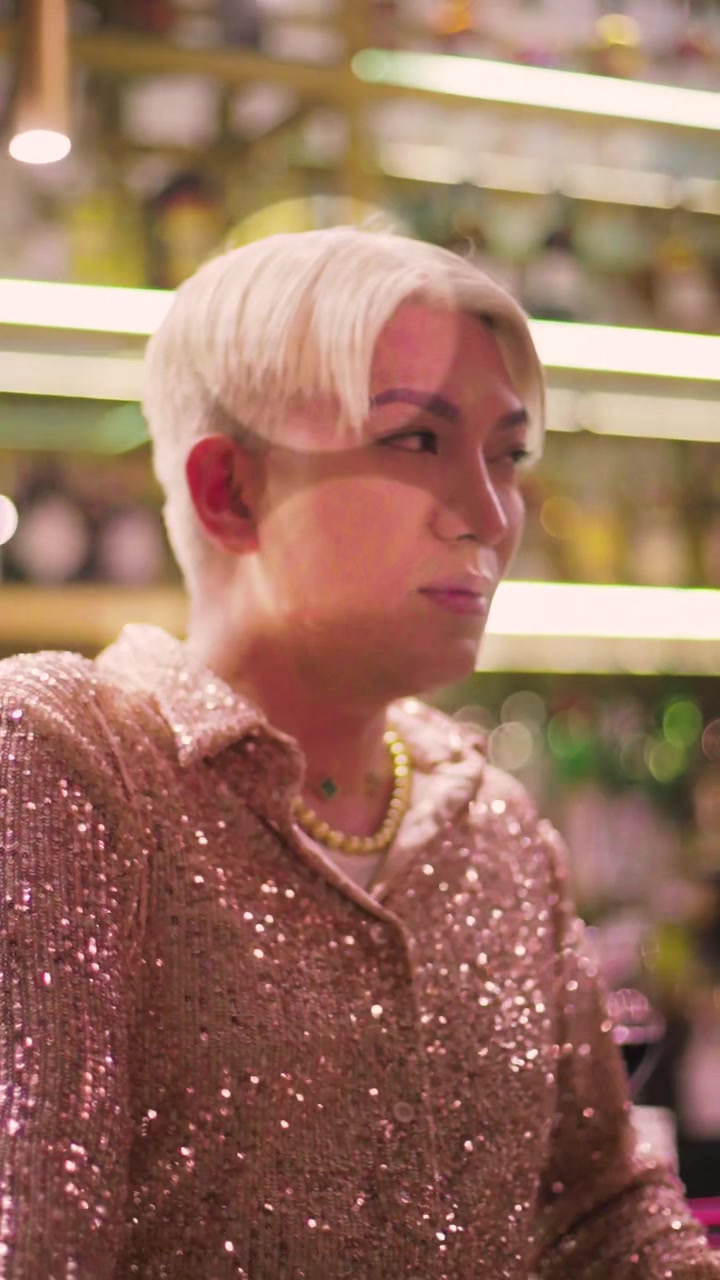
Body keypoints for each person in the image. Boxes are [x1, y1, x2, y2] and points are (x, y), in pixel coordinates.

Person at [0, 227, 717, 1279]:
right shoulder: (69, 759)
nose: (490, 516)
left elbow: (600, 1216)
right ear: (230, 490)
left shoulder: (494, 823)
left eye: (508, 455)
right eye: (416, 441)